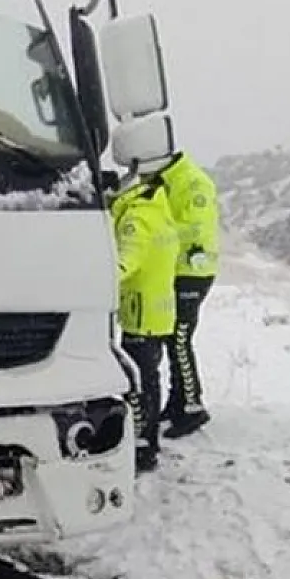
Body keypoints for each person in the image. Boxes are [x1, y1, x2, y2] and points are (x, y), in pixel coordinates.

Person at [102, 165, 179, 475]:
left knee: (139, 383)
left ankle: (142, 447)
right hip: (158, 311)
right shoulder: (159, 211)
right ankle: (148, 444)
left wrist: (89, 277)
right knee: (149, 379)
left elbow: (125, 264)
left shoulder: (136, 219)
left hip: (140, 312)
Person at [141, 147, 222, 440]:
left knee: (179, 338)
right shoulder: (166, 180)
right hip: (175, 270)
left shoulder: (192, 182)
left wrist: (155, 235)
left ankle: (191, 406)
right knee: (171, 338)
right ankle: (178, 401)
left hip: (192, 271)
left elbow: (196, 230)